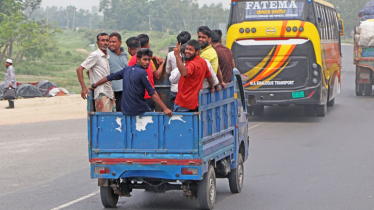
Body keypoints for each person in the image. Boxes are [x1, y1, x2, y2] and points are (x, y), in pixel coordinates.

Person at [89, 48, 172, 117]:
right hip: (138, 109)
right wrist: (165, 108)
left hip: (125, 110)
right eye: (145, 59)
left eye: (149, 60)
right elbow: (152, 92)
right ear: (138, 59)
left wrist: (94, 85)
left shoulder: (126, 70)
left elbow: (109, 77)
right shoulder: (142, 72)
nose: (147, 62)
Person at [76, 33, 115, 112]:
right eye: (102, 40)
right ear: (98, 43)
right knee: (104, 119)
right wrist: (84, 88)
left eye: (107, 40)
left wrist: (94, 80)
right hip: (101, 92)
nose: (105, 43)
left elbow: (88, 71)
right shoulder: (95, 55)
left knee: (111, 120)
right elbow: (79, 69)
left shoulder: (107, 56)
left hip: (110, 92)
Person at [173, 40, 215, 112]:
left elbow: (184, 73)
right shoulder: (203, 62)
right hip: (194, 103)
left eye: (191, 50)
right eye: (187, 49)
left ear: (197, 51)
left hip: (184, 103)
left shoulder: (193, 64)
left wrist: (177, 56)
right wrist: (211, 87)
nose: (187, 52)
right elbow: (209, 77)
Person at [128, 35, 165, 111]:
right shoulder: (149, 61)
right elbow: (157, 75)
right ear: (147, 45)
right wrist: (162, 63)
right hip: (148, 96)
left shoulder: (131, 58)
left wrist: (154, 57)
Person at [166, 31, 192, 108]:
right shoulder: (192, 55)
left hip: (174, 89)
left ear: (178, 42)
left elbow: (167, 71)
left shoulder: (171, 54)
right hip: (188, 90)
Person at [107, 32, 129, 112]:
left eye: (114, 42)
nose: (111, 44)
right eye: (110, 42)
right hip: (114, 90)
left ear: (120, 42)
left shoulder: (125, 54)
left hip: (126, 89)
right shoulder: (106, 54)